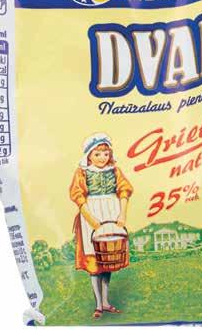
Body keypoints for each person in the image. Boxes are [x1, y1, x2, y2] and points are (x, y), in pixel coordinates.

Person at [70, 133, 133, 319]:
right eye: (97, 154)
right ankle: (98, 304)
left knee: (108, 258)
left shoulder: (115, 170)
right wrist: (92, 220)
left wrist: (122, 214)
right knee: (95, 262)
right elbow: (78, 196)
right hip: (92, 214)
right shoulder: (82, 172)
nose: (102, 158)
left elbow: (124, 190)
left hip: (112, 213)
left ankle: (105, 302)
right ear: (89, 155)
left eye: (106, 154)